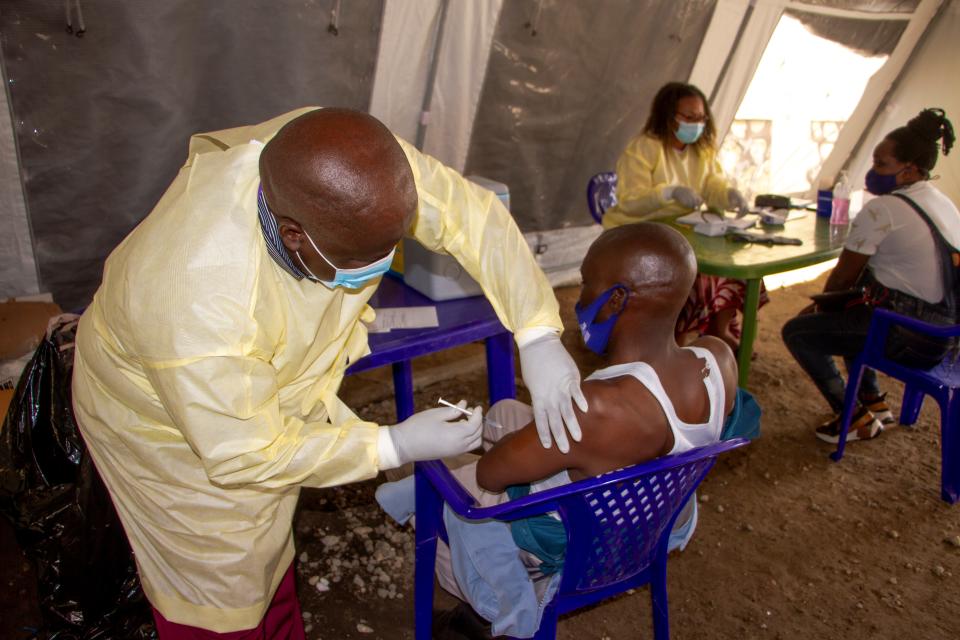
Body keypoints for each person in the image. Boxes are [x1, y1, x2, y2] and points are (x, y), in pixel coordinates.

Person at [70, 107, 589, 637]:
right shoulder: (197, 299)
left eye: (395, 243)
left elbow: (470, 216)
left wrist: (537, 332)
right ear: (295, 235)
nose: (385, 263)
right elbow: (248, 453)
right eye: (368, 254)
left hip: (253, 379)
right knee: (221, 578)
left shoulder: (358, 167)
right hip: (170, 430)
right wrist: (390, 446)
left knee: (271, 547)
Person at [377, 223, 739, 638]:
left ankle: (504, 608)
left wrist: (495, 449)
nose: (579, 299)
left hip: (583, 541)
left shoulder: (600, 407)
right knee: (508, 412)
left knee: (448, 488)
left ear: (617, 298)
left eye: (587, 283)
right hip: (653, 517)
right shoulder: (718, 358)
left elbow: (490, 474)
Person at [782, 108, 958, 443]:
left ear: (910, 171)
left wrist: (817, 309)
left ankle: (852, 416)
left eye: (881, 165)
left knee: (799, 332)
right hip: (946, 333)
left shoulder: (882, 210)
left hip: (911, 338)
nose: (872, 172)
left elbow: (841, 281)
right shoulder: (941, 201)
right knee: (858, 309)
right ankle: (874, 403)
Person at [602, 81, 765, 351]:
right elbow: (630, 202)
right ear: (668, 116)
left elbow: (713, 185)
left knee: (731, 266)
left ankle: (718, 332)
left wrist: (728, 195)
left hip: (681, 229)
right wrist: (668, 193)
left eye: (700, 117)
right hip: (638, 231)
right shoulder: (644, 148)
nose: (696, 123)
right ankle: (672, 344)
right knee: (686, 275)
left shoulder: (701, 150)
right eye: (688, 117)